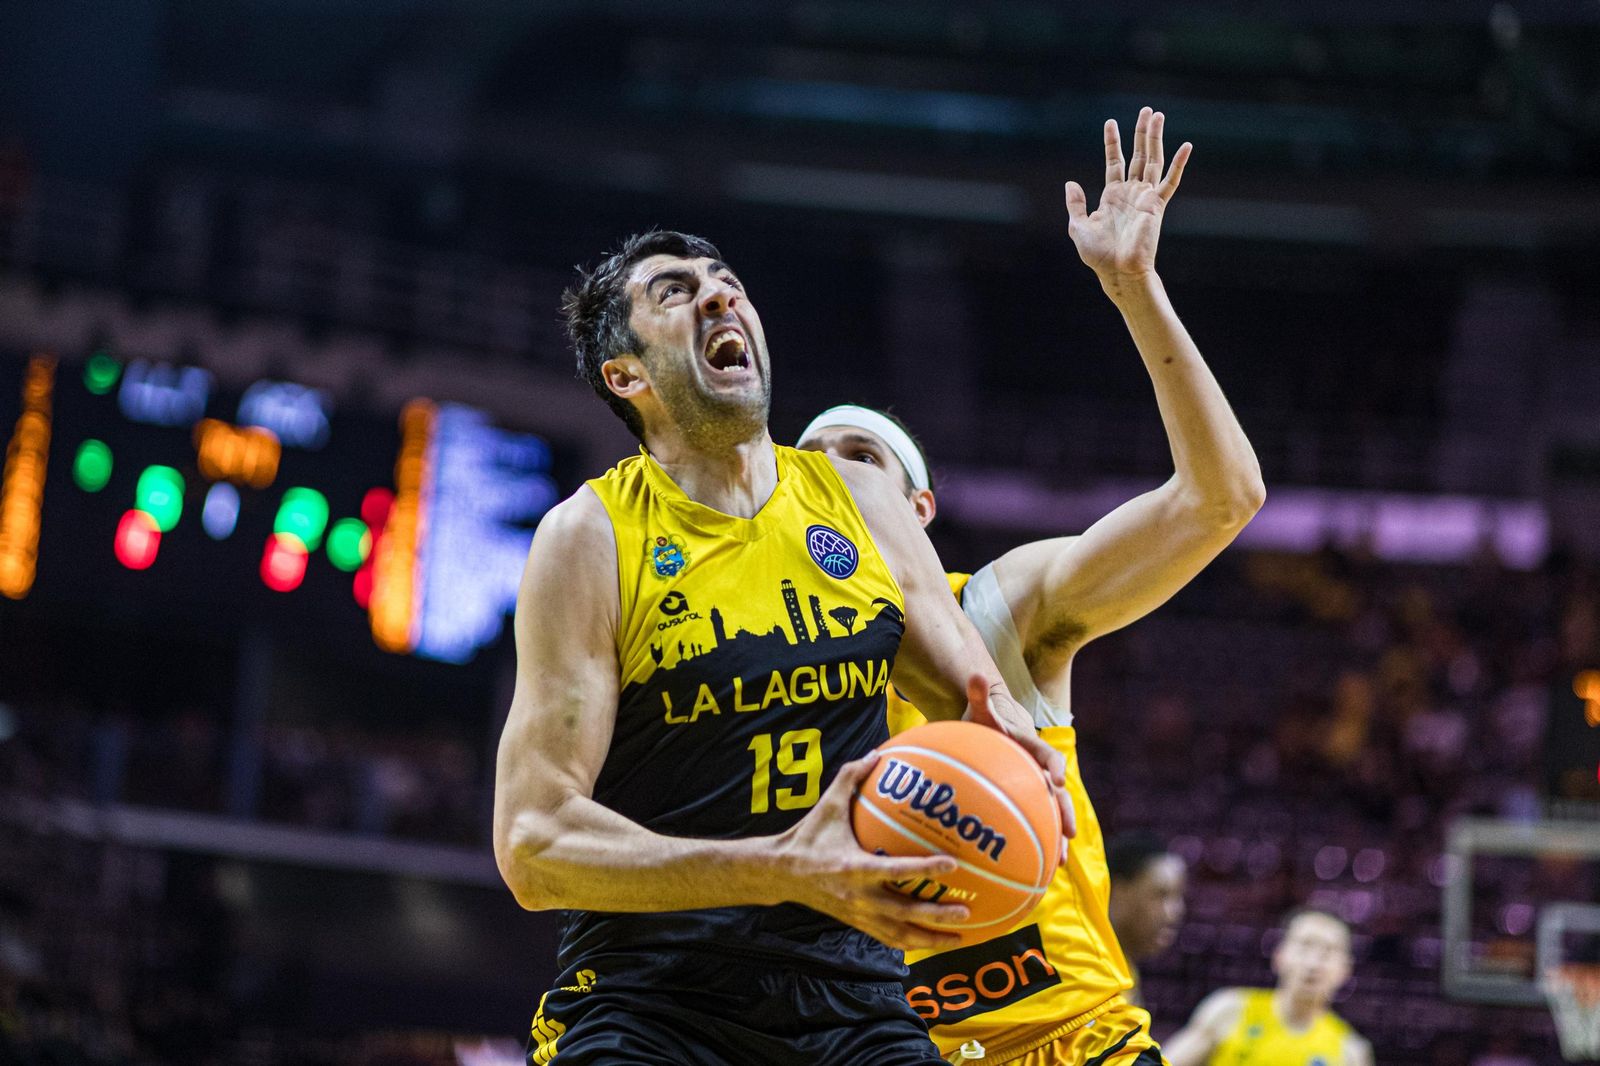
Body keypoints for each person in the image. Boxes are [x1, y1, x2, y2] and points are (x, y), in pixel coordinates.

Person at [492, 229, 1071, 1066]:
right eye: (675, 292)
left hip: (854, 997)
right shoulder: (590, 537)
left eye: (727, 281)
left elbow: (971, 700)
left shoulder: (864, 500)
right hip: (651, 996)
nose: (720, 296)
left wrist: (1012, 748)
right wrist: (779, 867)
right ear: (628, 377)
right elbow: (534, 844)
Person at [798, 107, 1264, 1065]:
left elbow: (1221, 500)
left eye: (860, 457)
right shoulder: (769, 666)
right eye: (810, 461)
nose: (833, 475)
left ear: (918, 507)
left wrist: (1135, 288)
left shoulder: (996, 608)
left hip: (1073, 1043)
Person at [1163, 907, 1373, 1066]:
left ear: (1345, 970)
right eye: (1305, 946)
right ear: (1279, 956)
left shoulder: (1350, 1052)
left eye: (1328, 952)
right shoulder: (1231, 1010)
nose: (1313, 963)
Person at [1106, 831, 1188, 1006]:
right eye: (1160, 895)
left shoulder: (1126, 970)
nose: (1175, 911)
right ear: (1118, 892)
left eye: (1178, 896)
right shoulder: (1087, 969)